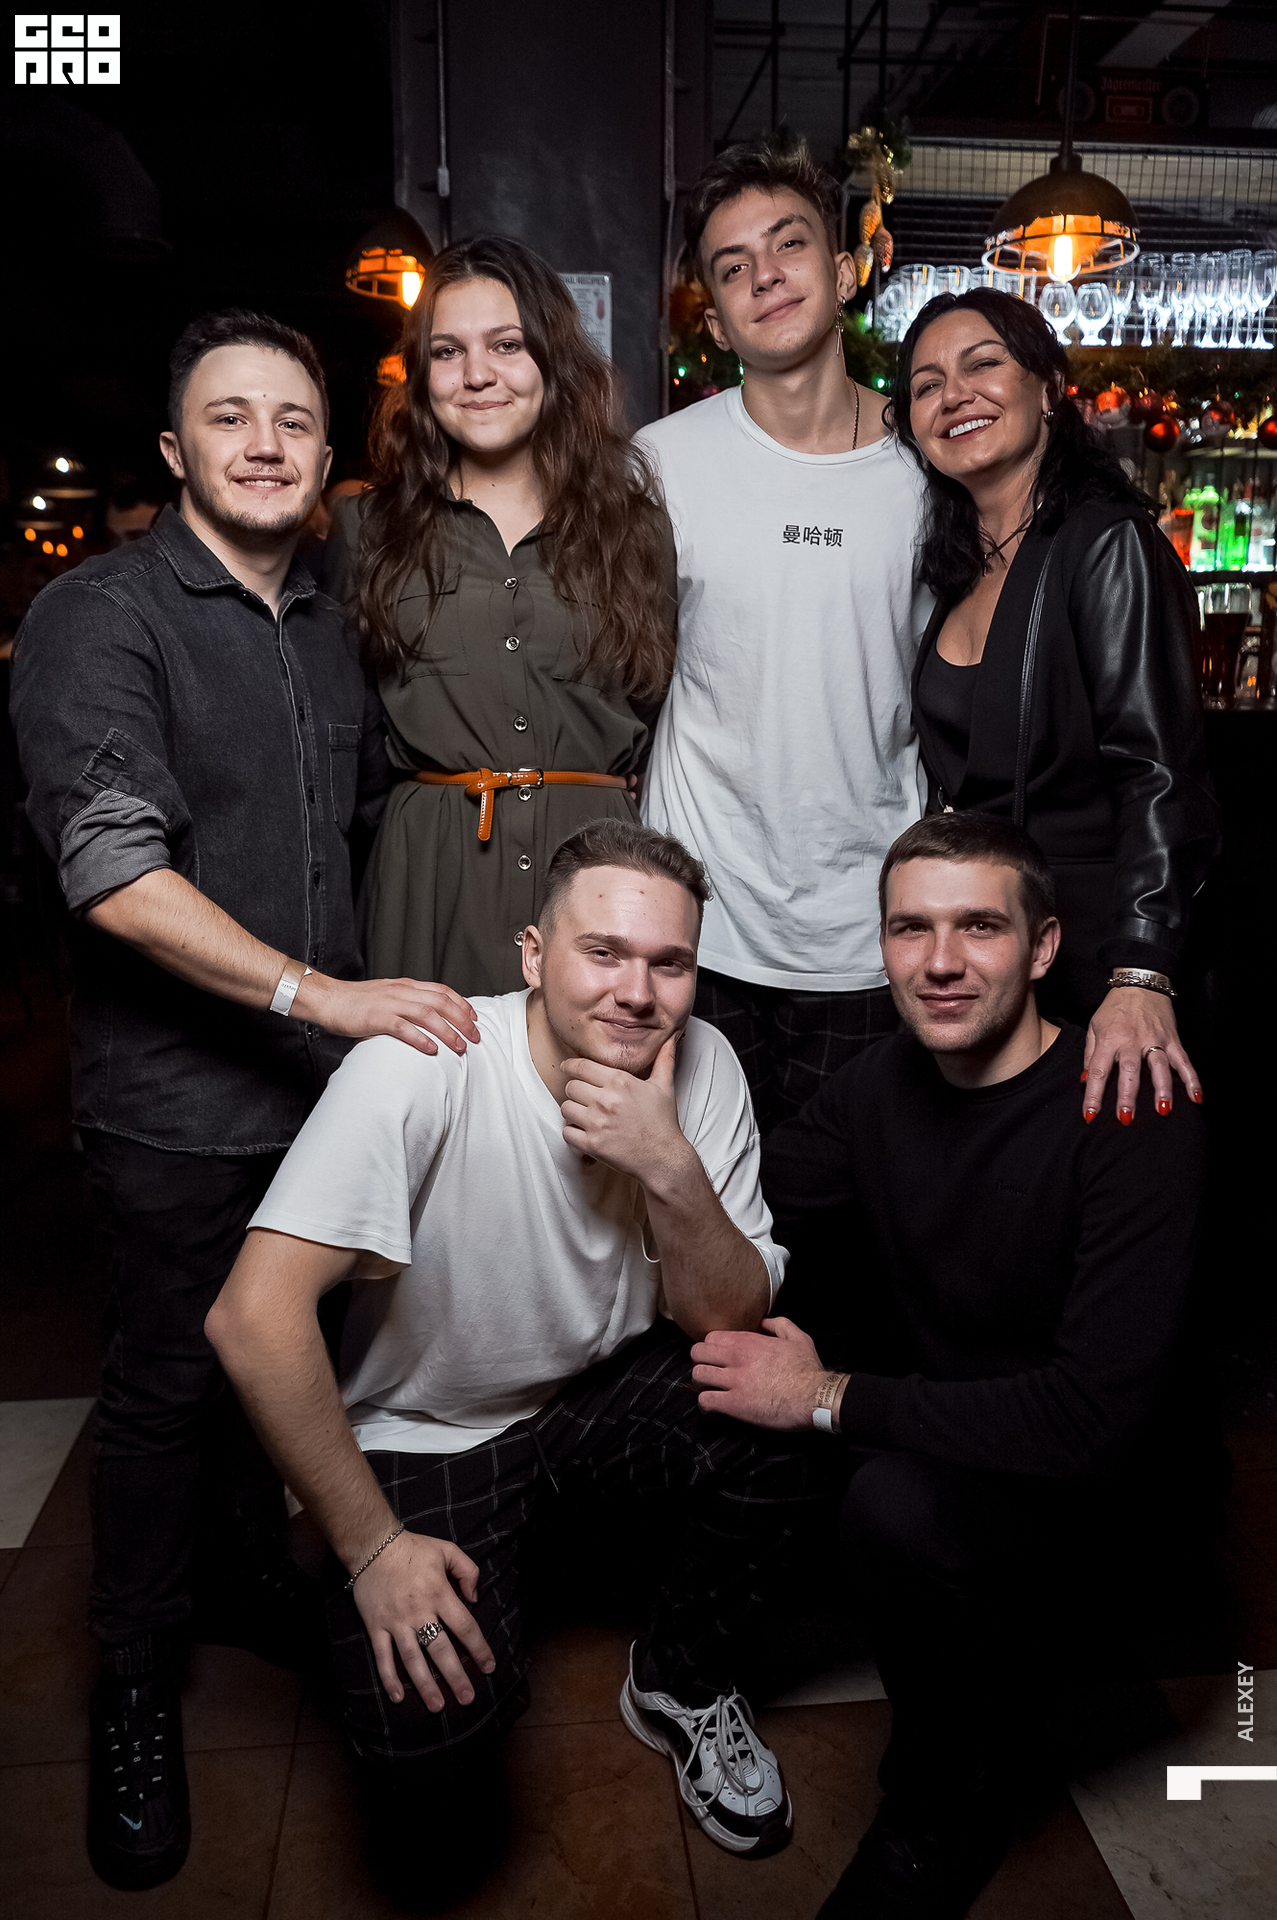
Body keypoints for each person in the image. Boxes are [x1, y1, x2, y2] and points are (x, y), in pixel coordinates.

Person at [9, 309, 480, 1893]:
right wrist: (322, 997)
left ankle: (234, 1576)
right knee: (161, 1388)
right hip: (170, 1099)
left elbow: (370, 828)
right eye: (229, 417)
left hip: (317, 1100)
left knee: (287, 1366)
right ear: (173, 450)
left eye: (292, 419)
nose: (265, 444)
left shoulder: (335, 626)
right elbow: (111, 872)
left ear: (327, 454)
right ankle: (135, 1679)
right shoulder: (101, 615)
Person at [206, 819, 828, 1907]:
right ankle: (357, 1572)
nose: (636, 993)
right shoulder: (424, 1064)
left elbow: (725, 1318)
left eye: (669, 963)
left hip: (592, 1395)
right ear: (533, 956)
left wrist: (670, 1166)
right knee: (429, 1753)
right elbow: (251, 1320)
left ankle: (677, 1681)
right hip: (431, 1429)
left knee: (782, 1407)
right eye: (602, 952)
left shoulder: (706, 1065)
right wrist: (370, 1547)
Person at [689, 813, 1207, 1919]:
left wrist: (826, 1398)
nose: (939, 961)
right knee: (736, 1365)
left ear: (1044, 945)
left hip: (1108, 1501)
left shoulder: (1130, 1102)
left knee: (891, 1504)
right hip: (963, 1432)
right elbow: (746, 1205)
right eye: (908, 929)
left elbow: (1092, 1421)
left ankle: (942, 1808)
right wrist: (646, 1149)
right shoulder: (874, 1087)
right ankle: (687, 1666)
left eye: (979, 926)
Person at [637, 133, 933, 1133]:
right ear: (715, 322)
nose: (764, 276)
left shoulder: (926, 466)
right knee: (685, 1203)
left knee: (840, 1215)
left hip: (865, 931)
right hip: (697, 927)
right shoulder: (659, 463)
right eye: (732, 268)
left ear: (844, 273)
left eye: (788, 244)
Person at [892, 287, 1221, 1121]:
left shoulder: (1106, 544)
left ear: (1047, 388)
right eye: (926, 385)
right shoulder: (956, 570)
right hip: (993, 951)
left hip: (1099, 956)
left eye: (982, 365)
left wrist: (1141, 969)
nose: (953, 395)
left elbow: (1160, 776)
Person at [323, 234, 677, 997]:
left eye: (506, 345)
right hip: (428, 873)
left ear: (552, 359)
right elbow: (349, 731)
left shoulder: (634, 527)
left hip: (594, 871)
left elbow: (650, 696)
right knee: (426, 1071)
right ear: (421, 376)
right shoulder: (369, 527)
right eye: (447, 352)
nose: (477, 374)